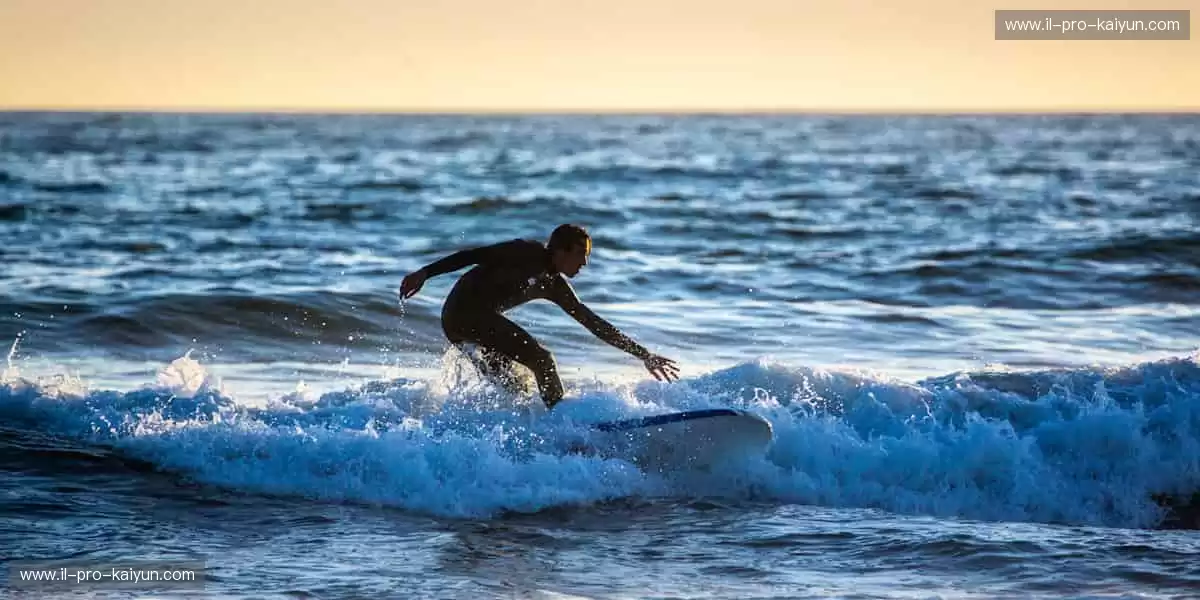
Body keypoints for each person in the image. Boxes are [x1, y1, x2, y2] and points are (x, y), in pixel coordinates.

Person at [398, 224, 679, 408]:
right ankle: (563, 423)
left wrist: (642, 354)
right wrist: (425, 273)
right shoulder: (524, 252)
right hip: (463, 313)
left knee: (518, 387)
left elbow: (592, 322)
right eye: (581, 254)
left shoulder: (555, 286)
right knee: (542, 360)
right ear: (559, 250)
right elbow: (473, 255)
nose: (584, 262)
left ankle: (527, 436)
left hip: (466, 324)